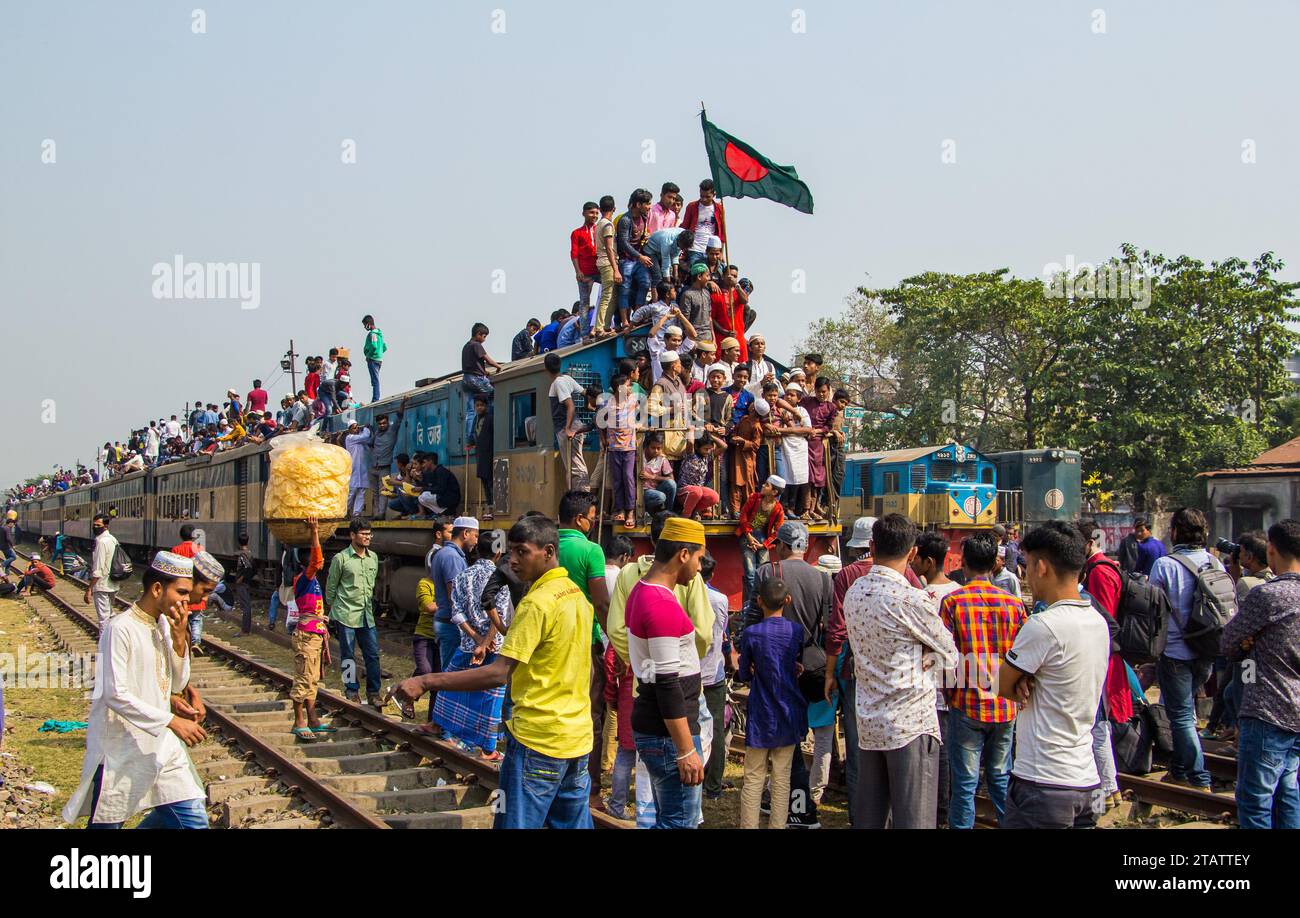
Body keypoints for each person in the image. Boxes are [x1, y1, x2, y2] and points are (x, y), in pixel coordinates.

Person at [391, 515, 596, 829]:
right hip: (576, 741)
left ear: (549, 552)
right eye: (511, 551)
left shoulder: (536, 604)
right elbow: (589, 669)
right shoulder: (576, 595)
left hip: (538, 741)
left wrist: (427, 680)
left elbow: (499, 673)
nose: (512, 560)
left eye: (522, 552)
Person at [62, 552, 208, 829]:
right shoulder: (120, 629)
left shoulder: (164, 625)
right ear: (157, 589)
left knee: (193, 821)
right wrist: (171, 720)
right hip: (121, 746)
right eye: (182, 592)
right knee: (108, 824)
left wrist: (179, 641)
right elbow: (114, 693)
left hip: (160, 746)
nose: (188, 601)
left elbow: (176, 684)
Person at [842, 514, 959, 829]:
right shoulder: (911, 598)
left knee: (870, 819)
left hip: (869, 723)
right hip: (910, 724)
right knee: (914, 820)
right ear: (912, 553)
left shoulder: (854, 592)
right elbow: (950, 655)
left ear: (871, 546)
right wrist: (925, 654)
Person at [998, 521, 1111, 828]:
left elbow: (1005, 686)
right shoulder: (1098, 623)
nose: (1028, 575)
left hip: (1042, 782)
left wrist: (1025, 679)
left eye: (1030, 566)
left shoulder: (1043, 625)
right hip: (1086, 780)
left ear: (1042, 567)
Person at [743, 521, 831, 827]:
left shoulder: (769, 572)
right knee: (794, 738)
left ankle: (797, 807)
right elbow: (827, 627)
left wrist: (747, 653)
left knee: (782, 746)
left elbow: (752, 617)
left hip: (773, 668)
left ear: (781, 545)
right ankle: (793, 806)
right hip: (810, 666)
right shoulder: (822, 579)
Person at [937, 532, 1026, 828]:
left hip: (966, 703)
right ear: (994, 563)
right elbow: (1023, 656)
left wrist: (950, 694)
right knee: (1001, 777)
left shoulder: (953, 603)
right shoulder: (1014, 605)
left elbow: (946, 657)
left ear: (963, 563)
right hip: (1004, 705)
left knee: (964, 784)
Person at [624, 516, 709, 828]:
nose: (700, 567)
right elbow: (667, 683)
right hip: (668, 734)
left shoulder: (642, 591)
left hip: (655, 728)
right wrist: (686, 751)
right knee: (679, 822)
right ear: (683, 554)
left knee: (668, 817)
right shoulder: (661, 603)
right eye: (699, 558)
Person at [1222, 518, 1300, 829]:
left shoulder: (1268, 596)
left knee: (1255, 802)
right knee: (1289, 793)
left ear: (1271, 550)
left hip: (1267, 710)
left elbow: (1228, 642)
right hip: (1297, 712)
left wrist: (1247, 641)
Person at [1149, 507, 1224, 791]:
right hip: (1207, 650)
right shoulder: (1215, 564)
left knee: (1180, 715)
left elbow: (1154, 612)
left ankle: (1198, 777)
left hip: (1176, 652)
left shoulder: (1164, 566)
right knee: (1186, 710)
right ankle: (1178, 769)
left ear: (1175, 532)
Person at [555, 491, 614, 802]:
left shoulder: (546, 544)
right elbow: (602, 602)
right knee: (591, 714)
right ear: (580, 519)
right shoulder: (591, 550)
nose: (594, 522)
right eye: (592, 516)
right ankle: (588, 786)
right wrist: (615, 642)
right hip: (583, 641)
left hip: (549, 642)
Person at [736, 577, 807, 829]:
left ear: (759, 601)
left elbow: (743, 673)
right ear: (787, 601)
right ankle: (778, 825)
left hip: (761, 712)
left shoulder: (751, 633)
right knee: (782, 777)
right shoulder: (795, 631)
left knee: (753, 777)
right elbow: (793, 662)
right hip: (788, 710)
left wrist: (754, 669)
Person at [434, 538, 513, 759]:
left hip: (468, 645)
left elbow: (456, 613)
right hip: (494, 648)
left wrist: (476, 639)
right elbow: (500, 614)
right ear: (497, 554)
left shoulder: (462, 576)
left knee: (453, 687)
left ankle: (448, 731)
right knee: (490, 698)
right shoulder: (501, 578)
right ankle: (488, 747)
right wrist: (486, 642)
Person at [1078, 519, 1132, 811]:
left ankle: (1107, 791)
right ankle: (1107, 791)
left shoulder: (1099, 573)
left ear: (1088, 543)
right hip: (1101, 658)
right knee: (1099, 726)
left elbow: (1100, 620)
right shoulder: (1102, 568)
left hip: (1099, 659)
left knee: (1098, 728)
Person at [326, 518, 383, 706]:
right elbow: (331, 588)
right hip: (346, 614)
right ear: (352, 535)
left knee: (372, 654)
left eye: (369, 534)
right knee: (348, 655)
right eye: (363, 534)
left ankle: (374, 692)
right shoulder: (340, 559)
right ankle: (351, 690)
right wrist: (332, 614)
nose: (367, 538)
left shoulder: (373, 558)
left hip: (366, 615)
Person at [289, 519, 334, 741]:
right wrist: (315, 531)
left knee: (313, 679)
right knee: (303, 678)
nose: (320, 560)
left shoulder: (311, 581)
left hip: (314, 632)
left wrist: (320, 616)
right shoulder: (304, 579)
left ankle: (312, 718)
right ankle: (299, 721)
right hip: (307, 635)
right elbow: (317, 560)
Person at [698, 553, 732, 800]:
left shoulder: (682, 596)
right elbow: (724, 632)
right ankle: (713, 784)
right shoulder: (720, 599)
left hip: (690, 673)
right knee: (716, 728)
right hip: (713, 672)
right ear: (712, 575)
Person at [431, 516, 479, 675]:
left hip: (446, 622)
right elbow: (456, 598)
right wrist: (471, 631)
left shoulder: (445, 553)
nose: (476, 541)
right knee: (453, 674)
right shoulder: (452, 557)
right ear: (466, 533)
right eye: (476, 536)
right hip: (451, 625)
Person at [737, 476, 786, 605]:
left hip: (763, 541)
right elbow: (743, 516)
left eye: (767, 485)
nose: (763, 486)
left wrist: (763, 545)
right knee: (750, 573)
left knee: (763, 571)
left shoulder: (778, 509)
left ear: (774, 492)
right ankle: (751, 603)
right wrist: (748, 535)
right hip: (747, 536)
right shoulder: (754, 498)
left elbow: (777, 532)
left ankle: (762, 601)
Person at [546, 353, 589, 491]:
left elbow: (570, 405)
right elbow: (585, 392)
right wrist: (589, 405)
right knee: (571, 467)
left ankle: (584, 498)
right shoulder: (567, 378)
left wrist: (568, 428)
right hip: (573, 425)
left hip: (567, 427)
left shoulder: (558, 383)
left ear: (546, 368)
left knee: (575, 466)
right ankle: (575, 498)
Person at [604, 373, 639, 528]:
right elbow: (599, 421)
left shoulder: (633, 400)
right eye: (627, 384)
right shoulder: (608, 402)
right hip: (613, 447)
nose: (630, 387)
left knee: (628, 478)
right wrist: (602, 438)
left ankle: (630, 511)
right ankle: (619, 509)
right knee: (617, 479)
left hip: (629, 447)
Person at [615, 188, 654, 328]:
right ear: (638, 204)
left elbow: (641, 236)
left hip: (639, 258)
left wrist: (646, 237)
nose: (649, 207)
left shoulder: (644, 217)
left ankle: (637, 314)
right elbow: (624, 243)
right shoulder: (626, 220)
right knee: (624, 289)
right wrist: (640, 256)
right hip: (627, 259)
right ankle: (625, 321)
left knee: (645, 283)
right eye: (647, 204)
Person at [462, 322, 501, 447]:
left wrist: (485, 372)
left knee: (470, 411)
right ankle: (490, 426)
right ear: (478, 334)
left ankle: (470, 438)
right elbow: (486, 358)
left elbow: (473, 365)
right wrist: (497, 366)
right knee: (494, 395)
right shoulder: (476, 345)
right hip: (476, 379)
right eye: (484, 336)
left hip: (466, 380)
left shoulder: (466, 346)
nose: (484, 339)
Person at [368, 397, 407, 518]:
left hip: (384, 467)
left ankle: (381, 514)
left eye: (384, 423)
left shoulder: (392, 430)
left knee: (383, 491)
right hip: (373, 466)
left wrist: (402, 403)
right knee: (375, 493)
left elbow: (399, 416)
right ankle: (376, 514)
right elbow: (370, 444)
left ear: (387, 422)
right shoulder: (377, 433)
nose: (382, 425)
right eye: (380, 423)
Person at [728, 399, 767, 517]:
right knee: (735, 483)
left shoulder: (756, 426)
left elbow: (755, 445)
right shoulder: (744, 419)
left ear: (753, 409)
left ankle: (749, 511)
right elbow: (735, 431)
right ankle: (735, 510)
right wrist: (734, 438)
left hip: (747, 458)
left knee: (748, 484)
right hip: (737, 455)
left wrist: (742, 441)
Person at [84, 512, 120, 630]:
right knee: (109, 614)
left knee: (103, 619)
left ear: (106, 526)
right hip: (113, 583)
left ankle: (104, 646)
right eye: (94, 525)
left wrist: (89, 588)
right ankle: (113, 639)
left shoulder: (101, 542)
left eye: (98, 525)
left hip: (102, 584)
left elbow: (98, 569)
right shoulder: (113, 539)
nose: (95, 527)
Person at [681, 178, 726, 267]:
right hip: (695, 248)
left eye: (707, 197)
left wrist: (721, 253)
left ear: (714, 194)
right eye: (702, 196)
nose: (704, 199)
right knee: (697, 274)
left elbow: (722, 234)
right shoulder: (692, 206)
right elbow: (684, 228)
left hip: (712, 250)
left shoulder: (719, 209)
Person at [676, 435, 721, 519]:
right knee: (696, 491)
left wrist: (709, 434)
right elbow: (690, 442)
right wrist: (692, 430)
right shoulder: (690, 455)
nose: (708, 451)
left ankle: (694, 511)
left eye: (709, 449)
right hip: (683, 492)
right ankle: (685, 516)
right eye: (705, 449)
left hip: (697, 493)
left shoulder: (707, 457)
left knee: (714, 497)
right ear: (696, 447)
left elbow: (724, 446)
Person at [570, 202, 600, 323]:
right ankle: (585, 334)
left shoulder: (600, 229)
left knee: (612, 293)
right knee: (584, 302)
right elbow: (574, 253)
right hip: (585, 273)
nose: (594, 215)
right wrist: (578, 271)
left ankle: (603, 325)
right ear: (584, 213)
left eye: (597, 213)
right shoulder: (577, 233)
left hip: (599, 270)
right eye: (591, 212)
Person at [469, 397, 495, 519]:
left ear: (486, 406)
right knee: (485, 481)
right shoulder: (475, 419)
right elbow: (474, 434)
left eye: (481, 405)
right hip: (480, 455)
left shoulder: (491, 418)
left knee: (491, 482)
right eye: (477, 405)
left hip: (489, 454)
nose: (479, 407)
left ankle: (493, 508)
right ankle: (490, 507)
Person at [641, 432, 677, 514]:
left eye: (659, 448)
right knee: (660, 496)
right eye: (653, 448)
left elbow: (671, 478)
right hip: (642, 491)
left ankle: (668, 513)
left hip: (656, 489)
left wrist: (652, 477)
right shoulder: (639, 456)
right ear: (647, 446)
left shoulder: (662, 459)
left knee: (671, 484)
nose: (656, 451)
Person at [234, 533, 255, 634]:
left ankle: (245, 630)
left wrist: (240, 578)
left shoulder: (243, 554)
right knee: (247, 606)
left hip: (242, 583)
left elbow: (247, 567)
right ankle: (246, 629)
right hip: (247, 582)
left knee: (245, 606)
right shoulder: (250, 553)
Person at [362, 314, 386, 402]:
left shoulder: (373, 334)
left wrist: (369, 355)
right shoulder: (380, 334)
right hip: (379, 359)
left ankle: (375, 398)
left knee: (375, 380)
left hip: (373, 359)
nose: (365, 327)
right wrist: (379, 354)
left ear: (368, 323)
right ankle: (375, 397)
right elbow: (384, 347)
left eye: (365, 325)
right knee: (375, 379)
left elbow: (374, 346)